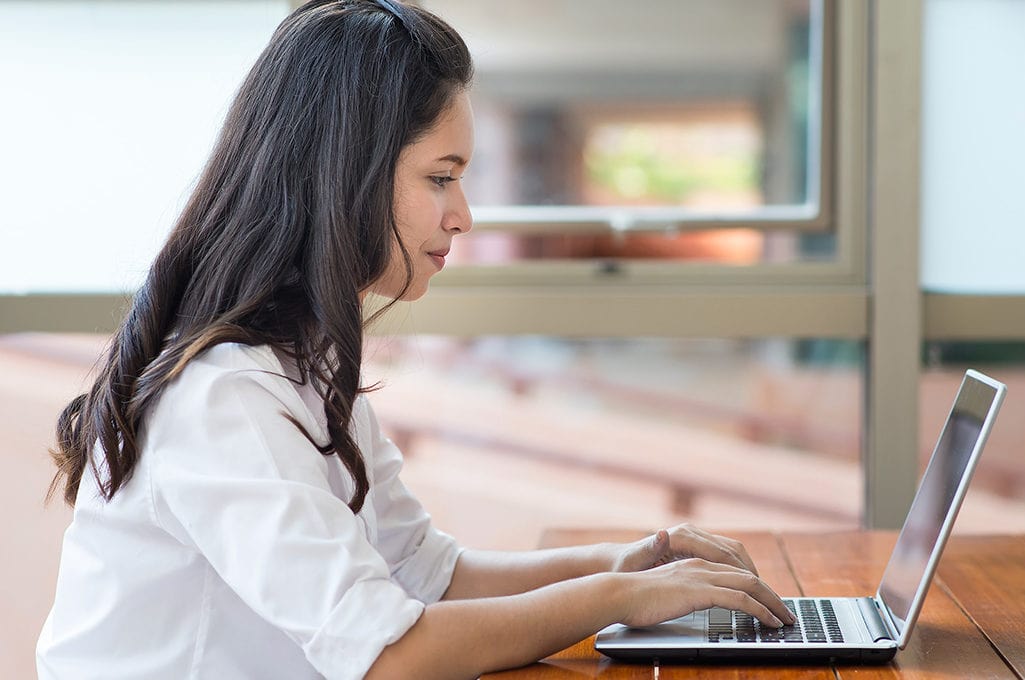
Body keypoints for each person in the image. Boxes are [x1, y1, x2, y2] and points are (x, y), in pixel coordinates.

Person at [36, 1, 795, 678]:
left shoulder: (303, 363)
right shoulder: (224, 397)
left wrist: (627, 563)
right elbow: (390, 655)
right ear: (347, 175)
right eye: (441, 178)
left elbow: (431, 575)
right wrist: (618, 597)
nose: (463, 214)